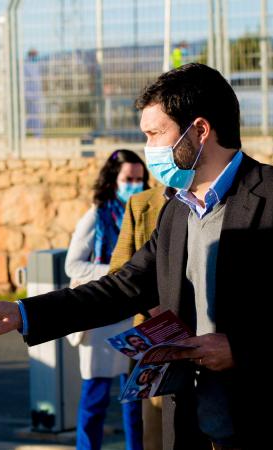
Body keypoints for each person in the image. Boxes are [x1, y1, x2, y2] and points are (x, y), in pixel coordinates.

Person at [0, 63, 273, 449]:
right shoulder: (176, 210)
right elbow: (123, 287)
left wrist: (242, 349)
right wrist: (21, 313)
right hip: (196, 425)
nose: (150, 149)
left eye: (156, 133)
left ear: (199, 130)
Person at [63, 149, 146, 450]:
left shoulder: (144, 212)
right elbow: (73, 265)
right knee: (95, 398)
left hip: (132, 314)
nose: (134, 184)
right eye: (128, 179)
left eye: (139, 179)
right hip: (98, 317)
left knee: (135, 399)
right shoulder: (96, 216)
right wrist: (117, 271)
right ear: (113, 180)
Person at [109, 185, 175, 450]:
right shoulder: (141, 204)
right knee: (156, 435)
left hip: (212, 345)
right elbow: (118, 274)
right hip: (157, 341)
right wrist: (152, 307)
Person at [24, 49, 44, 138]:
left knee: (33, 115)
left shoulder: (35, 65)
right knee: (34, 115)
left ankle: (35, 133)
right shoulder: (28, 65)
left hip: (34, 94)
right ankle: (37, 134)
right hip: (31, 94)